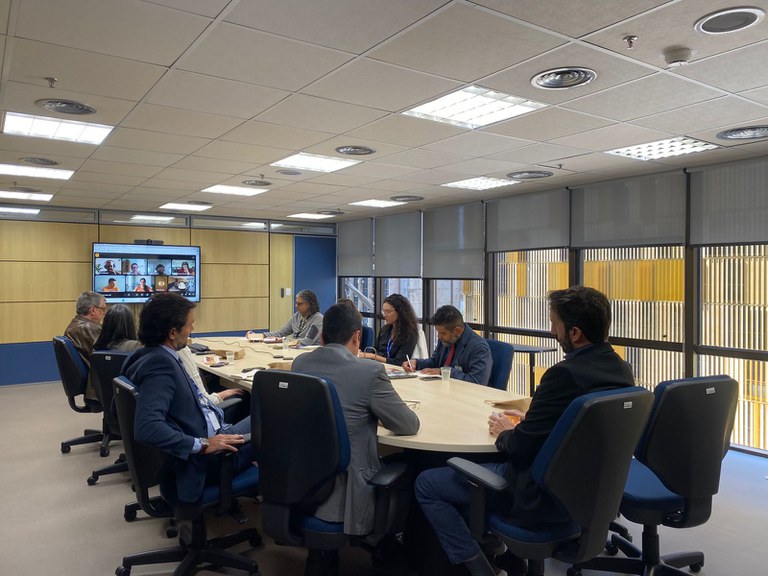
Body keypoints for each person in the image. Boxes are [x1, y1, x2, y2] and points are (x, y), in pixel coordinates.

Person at [414, 286, 635, 576]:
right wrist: (533, 419)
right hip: (587, 490)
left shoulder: (563, 375)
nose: (552, 329)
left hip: (538, 496)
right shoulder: (622, 369)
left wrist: (508, 430)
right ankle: (503, 555)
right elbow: (579, 425)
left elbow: (518, 448)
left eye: (555, 323)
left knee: (426, 483)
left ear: (575, 333)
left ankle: (479, 568)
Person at [291, 304, 420, 535]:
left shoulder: (300, 364)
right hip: (347, 495)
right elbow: (408, 425)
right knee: (417, 468)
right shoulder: (369, 371)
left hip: (304, 483)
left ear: (322, 337)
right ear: (357, 337)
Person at [122, 292, 252, 504]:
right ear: (173, 332)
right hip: (205, 460)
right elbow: (147, 427)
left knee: (260, 412)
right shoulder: (161, 366)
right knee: (276, 422)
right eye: (190, 324)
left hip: (209, 434)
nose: (193, 329)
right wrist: (202, 444)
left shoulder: (145, 355)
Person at [403, 305, 492, 386]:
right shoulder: (447, 340)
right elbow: (435, 361)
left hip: (465, 396)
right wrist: (416, 363)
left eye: (442, 333)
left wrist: (445, 372)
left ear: (457, 331)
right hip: (443, 389)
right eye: (438, 332)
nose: (439, 336)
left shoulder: (479, 348)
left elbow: (477, 382)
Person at [64, 291, 106, 401]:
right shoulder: (88, 328)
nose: (104, 313)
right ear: (93, 310)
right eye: (103, 309)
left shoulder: (76, 324)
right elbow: (109, 353)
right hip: (98, 386)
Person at [359, 294, 418, 367]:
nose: (385, 315)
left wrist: (373, 356)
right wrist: (363, 353)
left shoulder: (409, 333)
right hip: (379, 366)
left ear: (399, 312)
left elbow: (400, 362)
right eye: (384, 311)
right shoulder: (385, 329)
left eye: (388, 311)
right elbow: (375, 349)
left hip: (396, 369)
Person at [250, 289, 323, 346]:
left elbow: (307, 342)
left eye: (299, 304)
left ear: (309, 305)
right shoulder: (296, 316)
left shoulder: (318, 319)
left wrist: (283, 340)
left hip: (309, 353)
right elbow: (281, 333)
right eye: (296, 303)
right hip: (295, 350)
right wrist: (261, 335)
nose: (296, 306)